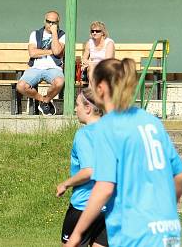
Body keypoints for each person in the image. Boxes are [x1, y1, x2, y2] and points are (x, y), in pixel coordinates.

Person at [65, 58, 182, 247]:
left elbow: (104, 188)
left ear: (101, 88)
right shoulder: (151, 122)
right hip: (167, 231)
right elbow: (180, 174)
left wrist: (77, 234)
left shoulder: (109, 127)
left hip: (134, 232)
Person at [56, 88, 107, 247]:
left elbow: (89, 171)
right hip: (109, 207)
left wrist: (65, 183)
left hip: (84, 206)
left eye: (77, 105)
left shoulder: (84, 135)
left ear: (88, 108)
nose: (75, 109)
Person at [16, 10, 65, 116]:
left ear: (58, 23)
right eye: (49, 21)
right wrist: (50, 52)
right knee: (21, 86)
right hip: (36, 68)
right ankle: (44, 100)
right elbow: (32, 53)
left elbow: (57, 51)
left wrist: (54, 33)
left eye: (54, 22)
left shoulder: (62, 35)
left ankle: (46, 101)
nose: (51, 24)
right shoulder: (35, 34)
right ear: (44, 21)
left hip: (54, 68)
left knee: (59, 82)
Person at [81, 21, 115, 85]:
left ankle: (92, 90)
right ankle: (92, 90)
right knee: (92, 68)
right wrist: (90, 63)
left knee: (93, 68)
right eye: (92, 31)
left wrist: (92, 63)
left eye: (97, 31)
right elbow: (84, 59)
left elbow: (107, 61)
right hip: (92, 68)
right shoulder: (89, 43)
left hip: (106, 68)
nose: (94, 33)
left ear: (103, 32)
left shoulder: (109, 43)